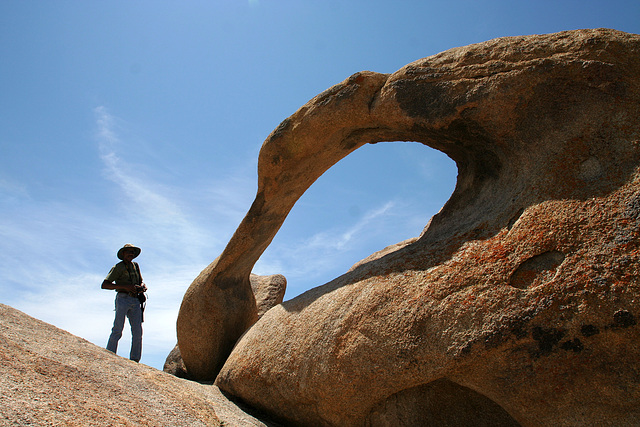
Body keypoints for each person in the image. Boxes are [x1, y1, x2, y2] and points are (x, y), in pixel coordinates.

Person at [102, 244, 147, 362]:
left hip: (135, 300)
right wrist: (125, 287)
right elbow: (105, 284)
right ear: (123, 254)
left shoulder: (136, 266)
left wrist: (142, 286)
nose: (130, 254)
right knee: (117, 328)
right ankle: (110, 355)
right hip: (123, 298)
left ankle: (135, 360)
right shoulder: (118, 267)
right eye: (128, 252)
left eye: (132, 252)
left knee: (138, 332)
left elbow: (141, 281)